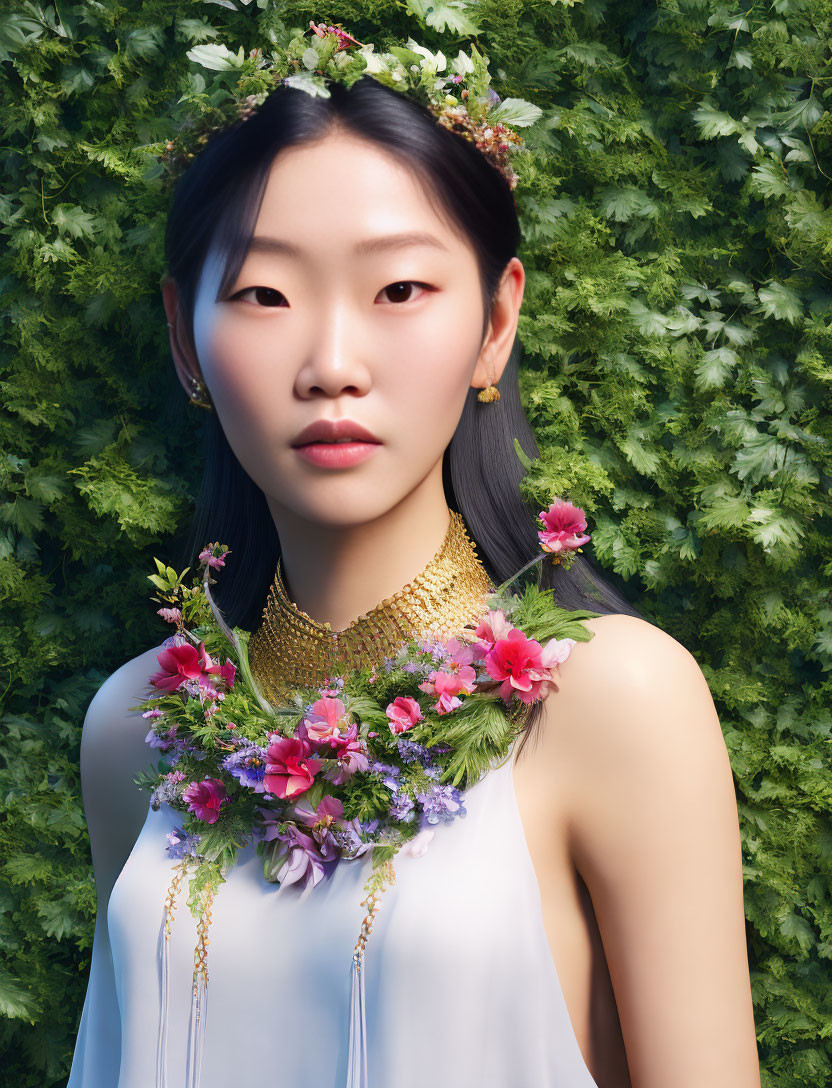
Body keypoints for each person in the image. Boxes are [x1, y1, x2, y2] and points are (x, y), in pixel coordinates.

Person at [67, 68, 761, 1088]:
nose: (333, 361)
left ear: (493, 321)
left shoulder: (614, 697)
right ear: (185, 337)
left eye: (399, 289)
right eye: (264, 294)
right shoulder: (139, 722)